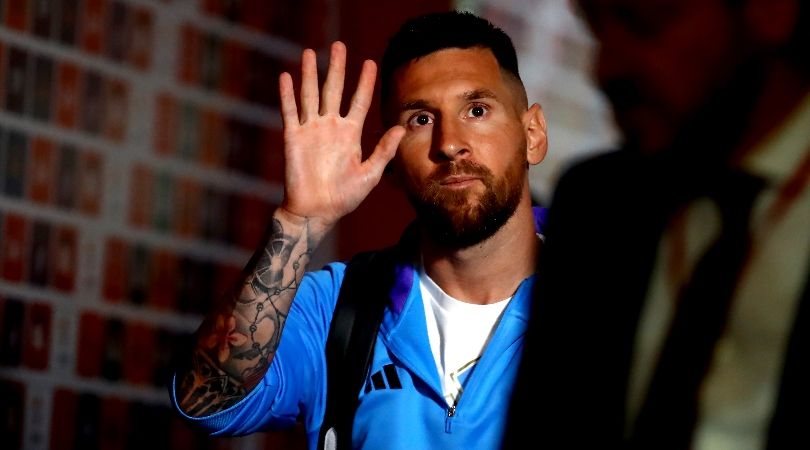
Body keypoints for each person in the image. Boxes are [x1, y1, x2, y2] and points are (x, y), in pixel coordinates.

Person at [171, 11, 549, 450]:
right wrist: (299, 221)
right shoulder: (338, 306)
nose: (448, 143)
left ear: (534, 134)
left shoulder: (610, 303)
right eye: (420, 120)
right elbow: (207, 401)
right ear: (390, 155)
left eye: (477, 110)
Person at [505, 0, 809, 449]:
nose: (607, 67)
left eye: (643, 20)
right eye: (596, 29)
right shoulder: (596, 207)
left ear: (771, 11)